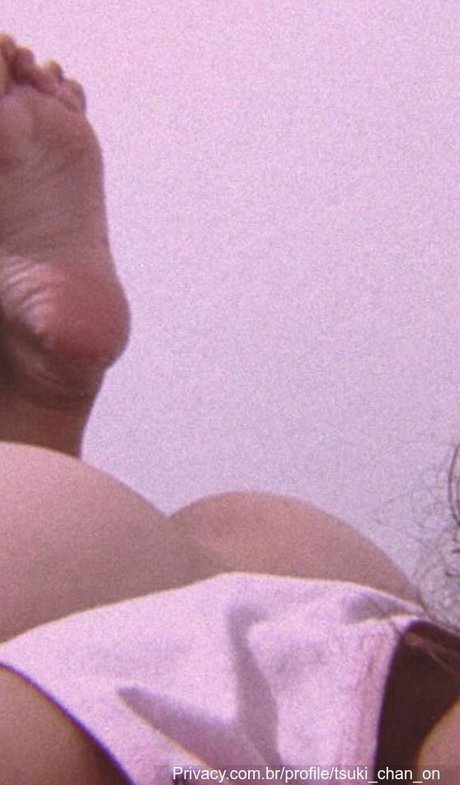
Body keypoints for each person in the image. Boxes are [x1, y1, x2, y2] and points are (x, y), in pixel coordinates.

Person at [0, 33, 458, 785]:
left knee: (101, 538)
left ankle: (40, 414)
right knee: (242, 538)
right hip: (378, 667)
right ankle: (42, 416)